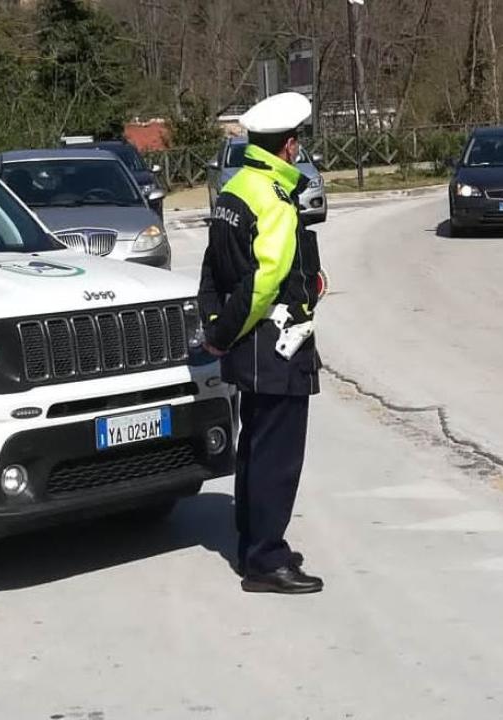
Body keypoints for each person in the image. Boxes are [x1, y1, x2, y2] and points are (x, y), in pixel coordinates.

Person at [198, 92, 327, 595]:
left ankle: (253, 543)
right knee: (278, 455)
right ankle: (267, 561)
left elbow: (214, 269)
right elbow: (264, 279)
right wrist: (225, 332)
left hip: (247, 348)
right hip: (276, 345)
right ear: (289, 146)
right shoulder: (272, 196)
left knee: (254, 446)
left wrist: (214, 329)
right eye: (297, 144)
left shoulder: (235, 188)